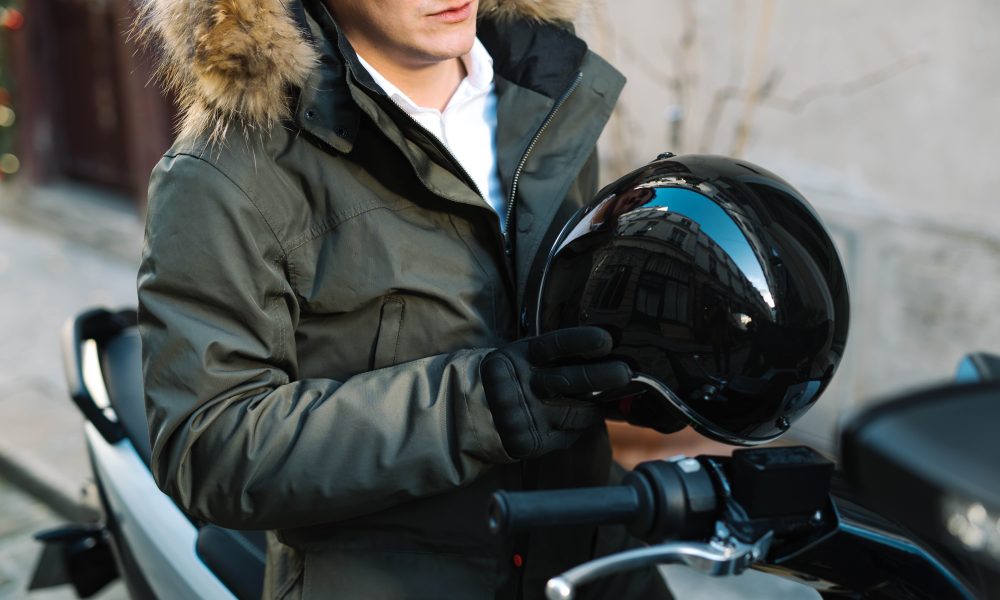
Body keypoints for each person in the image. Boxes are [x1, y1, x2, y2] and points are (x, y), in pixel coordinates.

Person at [135, 0, 671, 597]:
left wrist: (645, 375)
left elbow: (561, 321)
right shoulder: (224, 172)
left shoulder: (543, 87)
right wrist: (475, 408)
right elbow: (208, 447)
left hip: (593, 557)